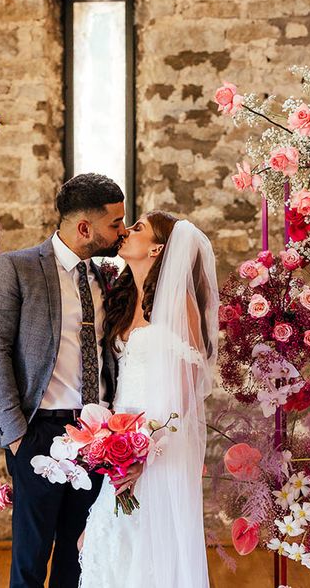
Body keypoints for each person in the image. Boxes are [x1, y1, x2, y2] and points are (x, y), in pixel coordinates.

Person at [0, 173, 138, 588]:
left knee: (80, 556)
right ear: (85, 228)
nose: (122, 231)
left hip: (97, 436)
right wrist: (16, 436)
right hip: (38, 433)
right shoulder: (16, 268)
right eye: (115, 223)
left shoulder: (105, 277)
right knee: (30, 562)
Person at [78, 211, 219, 588]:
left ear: (157, 248)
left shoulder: (179, 308)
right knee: (106, 544)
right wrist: (117, 445)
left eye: (137, 228)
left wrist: (147, 450)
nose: (125, 231)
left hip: (159, 442)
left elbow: (188, 390)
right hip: (120, 441)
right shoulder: (123, 300)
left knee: (149, 548)